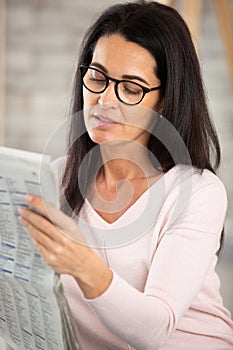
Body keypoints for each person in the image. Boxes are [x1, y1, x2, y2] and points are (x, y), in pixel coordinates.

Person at [19, 1, 233, 349]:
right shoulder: (55, 179)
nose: (105, 99)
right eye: (97, 77)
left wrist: (82, 264)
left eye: (131, 89)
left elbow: (154, 330)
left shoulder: (196, 192)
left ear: (165, 101)